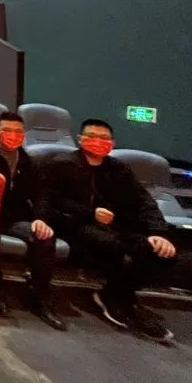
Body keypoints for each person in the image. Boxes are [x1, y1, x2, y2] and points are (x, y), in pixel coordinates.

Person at [36, 119, 177, 343]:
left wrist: (159, 233)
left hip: (114, 227)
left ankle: (115, 293)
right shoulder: (62, 164)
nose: (98, 142)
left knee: (161, 253)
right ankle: (123, 300)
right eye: (92, 137)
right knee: (110, 245)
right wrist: (90, 212)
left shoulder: (119, 169)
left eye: (104, 138)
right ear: (80, 140)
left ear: (112, 143)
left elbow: (144, 202)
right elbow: (50, 200)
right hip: (74, 225)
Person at [0, 112, 64, 330]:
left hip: (17, 218)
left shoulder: (31, 162)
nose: (13, 136)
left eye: (18, 132)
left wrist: (40, 219)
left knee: (44, 238)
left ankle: (40, 296)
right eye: (7, 131)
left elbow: (42, 195)